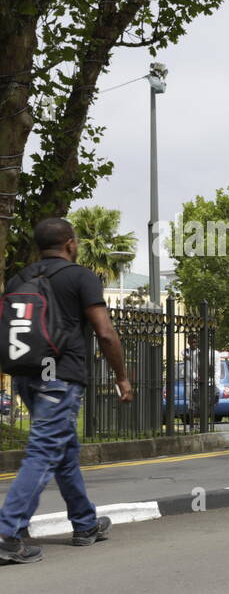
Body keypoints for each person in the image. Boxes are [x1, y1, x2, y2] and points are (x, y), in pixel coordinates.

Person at [0, 218, 129, 563]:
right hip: (60, 375)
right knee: (44, 451)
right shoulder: (81, 276)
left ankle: (85, 524)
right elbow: (105, 332)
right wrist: (121, 377)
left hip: (26, 374)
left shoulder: (19, 278)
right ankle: (7, 533)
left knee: (64, 449)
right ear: (71, 243)